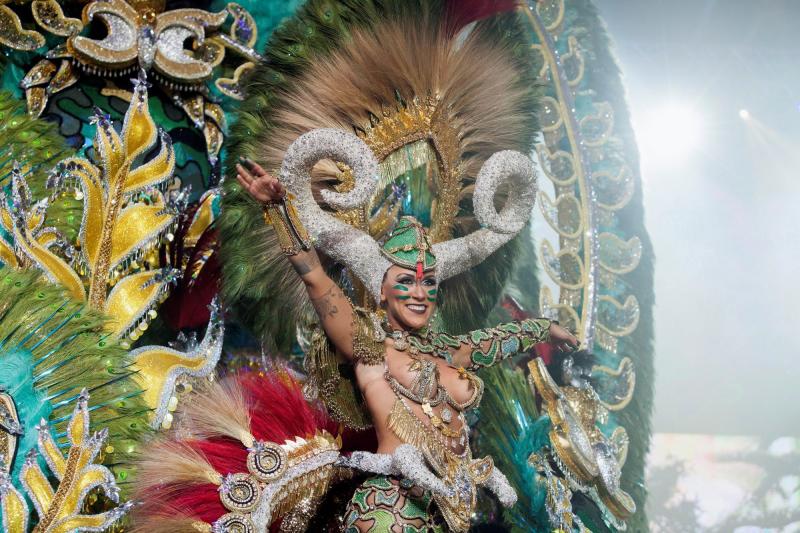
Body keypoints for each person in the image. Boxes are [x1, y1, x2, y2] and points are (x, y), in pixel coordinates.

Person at [235, 154, 579, 532]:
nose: (419, 293)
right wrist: (279, 210)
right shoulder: (367, 345)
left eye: (428, 283)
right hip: (389, 507)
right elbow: (316, 277)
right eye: (406, 282)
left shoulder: (449, 351)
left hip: (449, 510)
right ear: (382, 292)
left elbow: (501, 338)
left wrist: (545, 330)